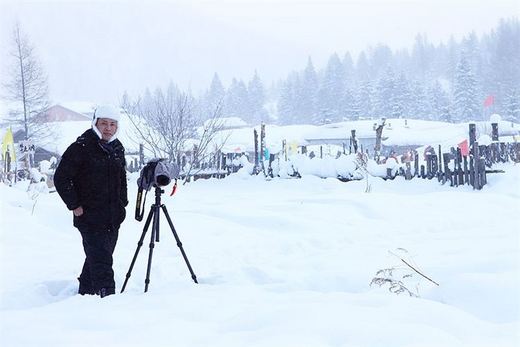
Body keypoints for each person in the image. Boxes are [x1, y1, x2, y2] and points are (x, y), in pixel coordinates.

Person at [54, 104, 128, 298]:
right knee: (102, 262)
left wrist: (123, 203)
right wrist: (75, 205)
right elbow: (61, 178)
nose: (108, 128)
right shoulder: (81, 147)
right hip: (89, 216)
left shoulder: (117, 148)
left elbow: (122, 178)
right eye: (104, 123)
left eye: (112, 124)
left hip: (113, 216)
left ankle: (85, 292)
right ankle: (108, 299)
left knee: (98, 257)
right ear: (95, 123)